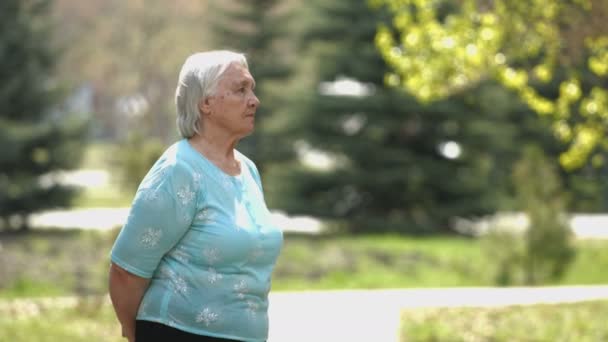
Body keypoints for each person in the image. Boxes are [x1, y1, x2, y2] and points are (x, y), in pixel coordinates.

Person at [108, 50, 284, 342]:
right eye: (240, 90)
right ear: (206, 103)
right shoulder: (178, 170)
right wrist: (134, 334)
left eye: (252, 89)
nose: (254, 100)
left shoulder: (248, 170)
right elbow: (126, 271)